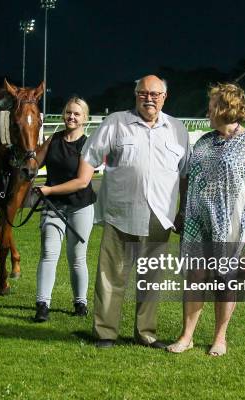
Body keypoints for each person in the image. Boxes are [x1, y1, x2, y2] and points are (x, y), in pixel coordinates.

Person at [39, 75, 190, 349]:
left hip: (160, 217)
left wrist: (182, 212)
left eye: (155, 94)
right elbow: (90, 155)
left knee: (151, 280)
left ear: (164, 97)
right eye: (144, 93)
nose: (149, 98)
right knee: (111, 277)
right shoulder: (116, 122)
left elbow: (185, 174)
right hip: (121, 213)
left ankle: (146, 333)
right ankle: (106, 333)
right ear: (136, 95)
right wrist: (83, 181)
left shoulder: (177, 129)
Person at [168, 83, 245, 357]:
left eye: (212, 106)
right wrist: (181, 211)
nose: (208, 111)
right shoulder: (203, 141)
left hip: (232, 223)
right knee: (195, 277)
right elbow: (187, 179)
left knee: (225, 280)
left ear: (226, 108)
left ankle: (220, 337)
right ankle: (187, 336)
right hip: (196, 221)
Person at [33, 97, 97, 322]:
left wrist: (49, 190)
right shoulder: (53, 140)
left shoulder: (88, 145)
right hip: (54, 207)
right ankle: (42, 304)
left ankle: (81, 302)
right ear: (63, 114)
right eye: (69, 112)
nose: (72, 117)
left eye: (77, 114)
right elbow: (32, 165)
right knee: (49, 254)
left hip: (80, 206)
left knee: (77, 257)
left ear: (84, 118)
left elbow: (81, 181)